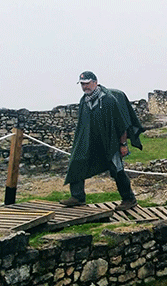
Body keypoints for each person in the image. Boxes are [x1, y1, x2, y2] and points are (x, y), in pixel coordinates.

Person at [61, 71, 143, 210]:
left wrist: (123, 144)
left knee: (117, 168)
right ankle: (77, 197)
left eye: (87, 83)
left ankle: (129, 199)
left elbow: (121, 124)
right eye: (82, 84)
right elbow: (83, 124)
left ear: (95, 82)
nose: (85, 87)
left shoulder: (109, 100)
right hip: (90, 141)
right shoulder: (84, 101)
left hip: (110, 141)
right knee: (77, 161)